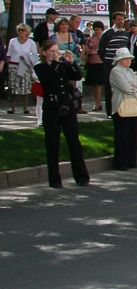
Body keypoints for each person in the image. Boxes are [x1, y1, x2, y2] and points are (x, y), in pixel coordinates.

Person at [33, 40, 90, 187]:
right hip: (51, 107)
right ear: (44, 52)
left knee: (74, 141)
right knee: (52, 143)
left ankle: (81, 176)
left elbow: (77, 75)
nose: (55, 54)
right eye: (51, 51)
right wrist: (56, 63)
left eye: (56, 51)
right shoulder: (40, 67)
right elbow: (47, 79)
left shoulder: (62, 65)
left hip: (66, 106)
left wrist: (71, 62)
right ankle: (54, 179)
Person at [109, 48, 137, 170]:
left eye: (129, 59)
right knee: (122, 136)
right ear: (119, 60)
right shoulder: (116, 71)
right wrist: (134, 85)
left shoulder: (130, 71)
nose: (128, 61)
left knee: (132, 135)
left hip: (132, 106)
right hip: (121, 106)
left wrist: (133, 84)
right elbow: (126, 88)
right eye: (125, 59)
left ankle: (131, 161)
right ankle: (121, 162)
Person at [5, 23, 39, 114]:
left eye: (22, 30)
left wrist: (26, 58)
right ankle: (12, 107)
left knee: (25, 87)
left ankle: (25, 107)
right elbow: (8, 54)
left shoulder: (31, 43)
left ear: (27, 32)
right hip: (14, 65)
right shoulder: (13, 41)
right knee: (13, 87)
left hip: (25, 65)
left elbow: (35, 56)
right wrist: (9, 64)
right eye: (19, 30)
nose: (20, 32)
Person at [83, 21, 107, 111]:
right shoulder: (90, 39)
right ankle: (98, 102)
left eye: (99, 30)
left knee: (98, 84)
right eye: (96, 30)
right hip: (91, 62)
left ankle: (97, 103)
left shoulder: (103, 39)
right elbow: (86, 47)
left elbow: (105, 49)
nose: (97, 32)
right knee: (93, 84)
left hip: (100, 62)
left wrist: (96, 52)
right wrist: (87, 51)